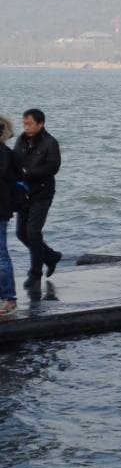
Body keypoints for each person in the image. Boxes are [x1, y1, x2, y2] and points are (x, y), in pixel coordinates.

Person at [13, 108, 62, 293]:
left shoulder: (51, 143)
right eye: (24, 123)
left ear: (41, 124)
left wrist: (27, 173)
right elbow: (15, 160)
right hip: (24, 193)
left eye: (29, 124)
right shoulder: (21, 139)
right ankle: (51, 257)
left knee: (33, 232)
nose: (26, 127)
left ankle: (35, 274)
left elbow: (53, 167)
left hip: (42, 194)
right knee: (20, 233)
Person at [0, 115, 19, 317]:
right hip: (4, 208)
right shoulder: (8, 153)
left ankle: (9, 298)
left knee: (1, 254)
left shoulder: (3, 154)